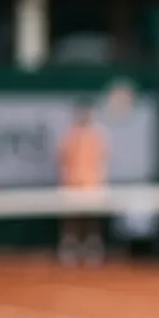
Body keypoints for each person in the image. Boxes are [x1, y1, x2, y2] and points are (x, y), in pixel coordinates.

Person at [57, 102, 109, 267]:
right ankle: (70, 248)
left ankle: (92, 248)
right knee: (72, 219)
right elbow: (63, 160)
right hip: (72, 185)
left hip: (92, 186)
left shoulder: (96, 136)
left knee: (91, 220)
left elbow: (102, 161)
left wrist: (100, 182)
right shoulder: (69, 136)